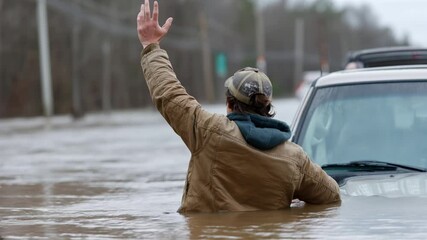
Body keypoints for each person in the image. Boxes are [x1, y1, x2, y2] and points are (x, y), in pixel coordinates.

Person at [137, 0, 340, 213]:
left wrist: (151, 46)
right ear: (267, 108)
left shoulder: (208, 131)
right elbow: (332, 196)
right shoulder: (294, 158)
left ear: (228, 103)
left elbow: (168, 93)